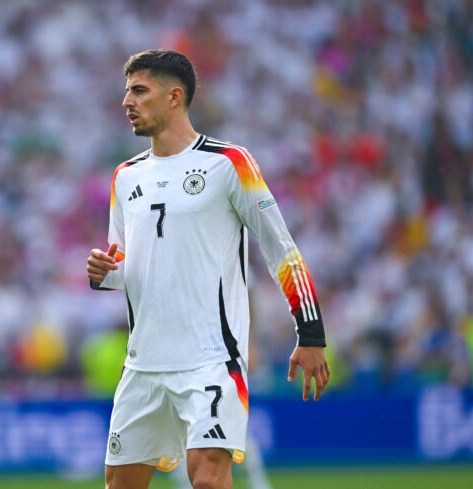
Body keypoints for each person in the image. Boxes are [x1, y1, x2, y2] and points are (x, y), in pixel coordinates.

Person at [86, 49, 329, 489]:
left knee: (208, 477)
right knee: (120, 484)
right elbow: (126, 267)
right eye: (126, 92)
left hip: (211, 360)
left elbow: (282, 250)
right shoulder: (125, 176)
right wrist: (105, 272)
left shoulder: (228, 163)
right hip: (143, 364)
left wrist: (310, 333)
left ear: (174, 96)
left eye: (139, 91)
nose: (127, 102)